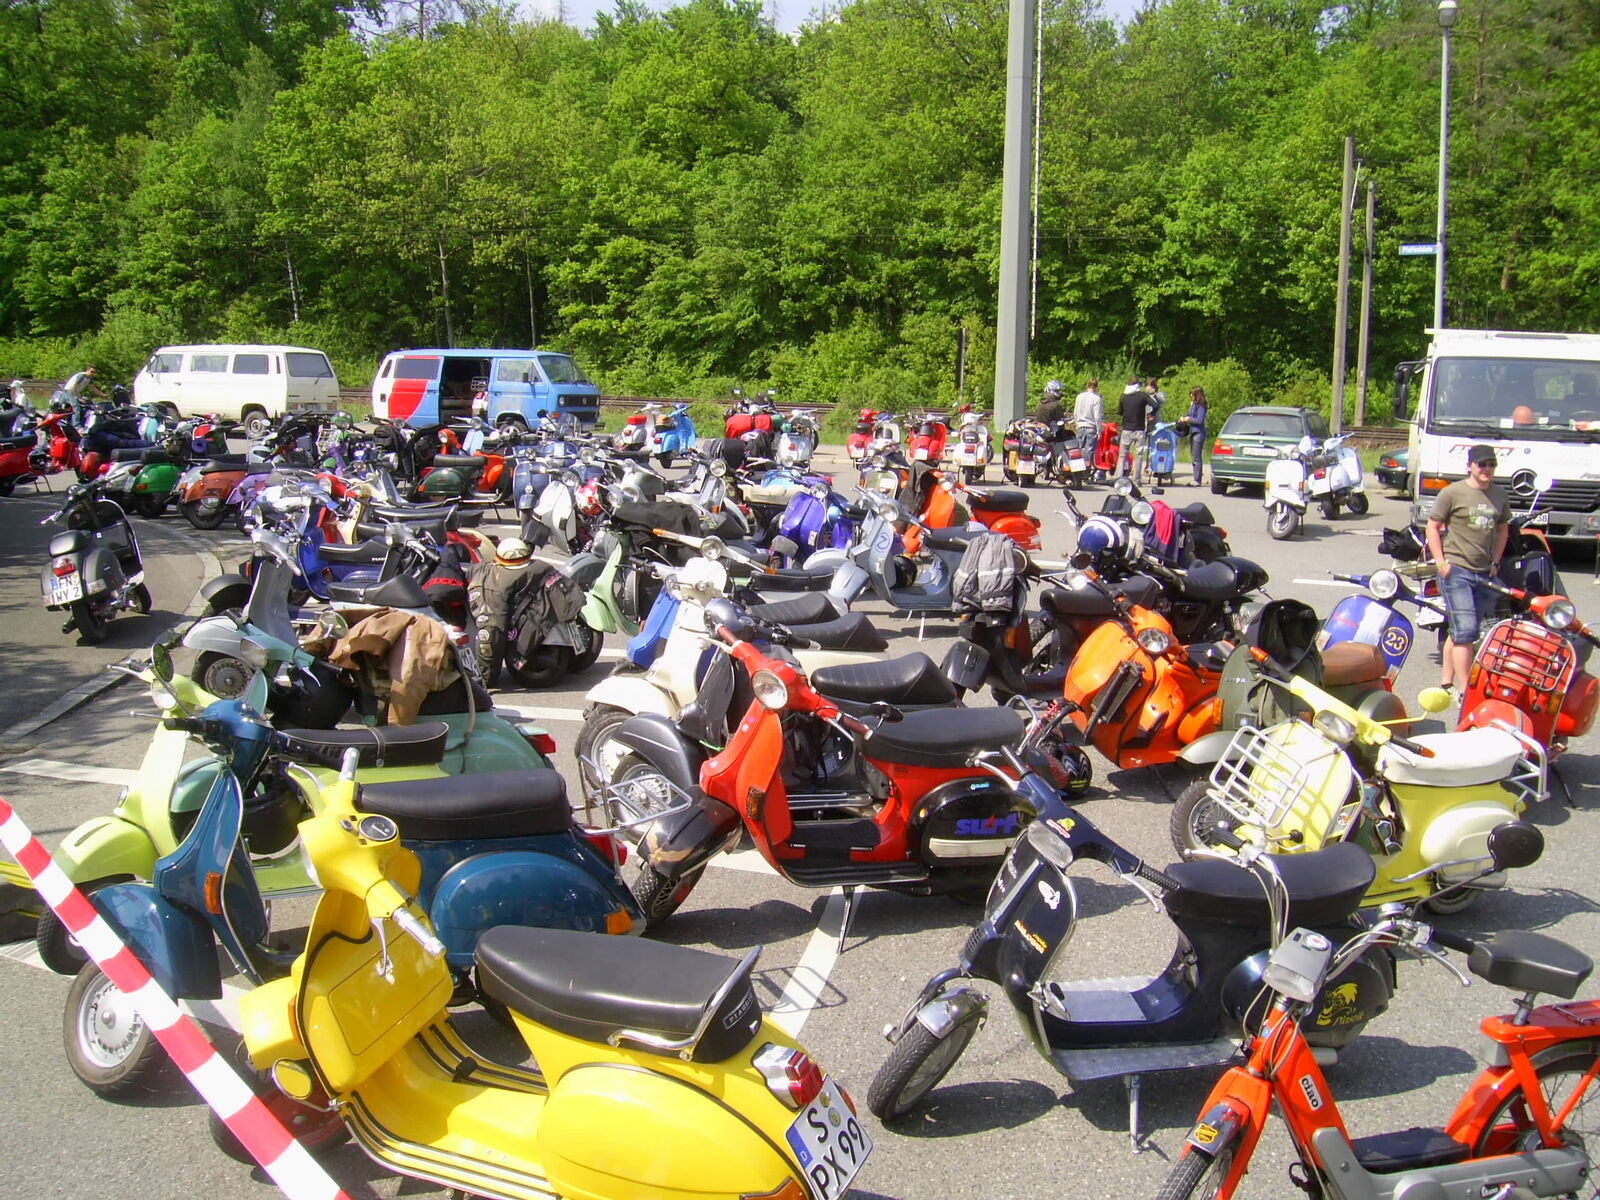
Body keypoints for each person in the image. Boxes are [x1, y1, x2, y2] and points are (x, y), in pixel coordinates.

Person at [1424, 444, 1510, 704]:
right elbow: (1432, 527)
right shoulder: (1453, 492)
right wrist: (1441, 562)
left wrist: (1495, 562)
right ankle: (1465, 690)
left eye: (1491, 464)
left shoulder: (1499, 495)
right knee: (1467, 631)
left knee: (1461, 630)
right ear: (1470, 466)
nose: (1487, 469)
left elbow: (1503, 529)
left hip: (1484, 571)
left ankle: (1446, 681)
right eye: (1481, 464)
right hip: (1456, 570)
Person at [1114, 377, 1150, 480]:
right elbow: (1155, 404)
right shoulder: (1143, 396)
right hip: (1139, 429)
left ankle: (1118, 477)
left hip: (1127, 429)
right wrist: (1151, 414)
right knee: (1139, 455)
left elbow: (1120, 412)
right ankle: (1136, 479)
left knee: (1122, 455)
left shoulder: (1123, 396)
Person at [1073, 378, 1103, 463]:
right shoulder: (1097, 398)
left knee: (1078, 450)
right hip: (1091, 427)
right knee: (1089, 451)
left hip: (1080, 426)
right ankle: (1087, 467)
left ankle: (1078, 467)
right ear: (1096, 386)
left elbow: (1075, 412)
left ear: (1088, 385)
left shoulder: (1079, 396)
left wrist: (1076, 423)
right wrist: (1099, 431)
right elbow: (1097, 416)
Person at [1183, 386, 1209, 484]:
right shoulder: (1194, 405)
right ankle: (1195, 478)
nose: (1191, 396)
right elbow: (1190, 414)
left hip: (1199, 433)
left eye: (1193, 394)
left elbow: (1199, 420)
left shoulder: (1201, 406)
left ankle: (1197, 479)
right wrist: (1184, 417)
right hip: (1193, 432)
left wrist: (1189, 419)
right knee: (1194, 456)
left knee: (1197, 457)